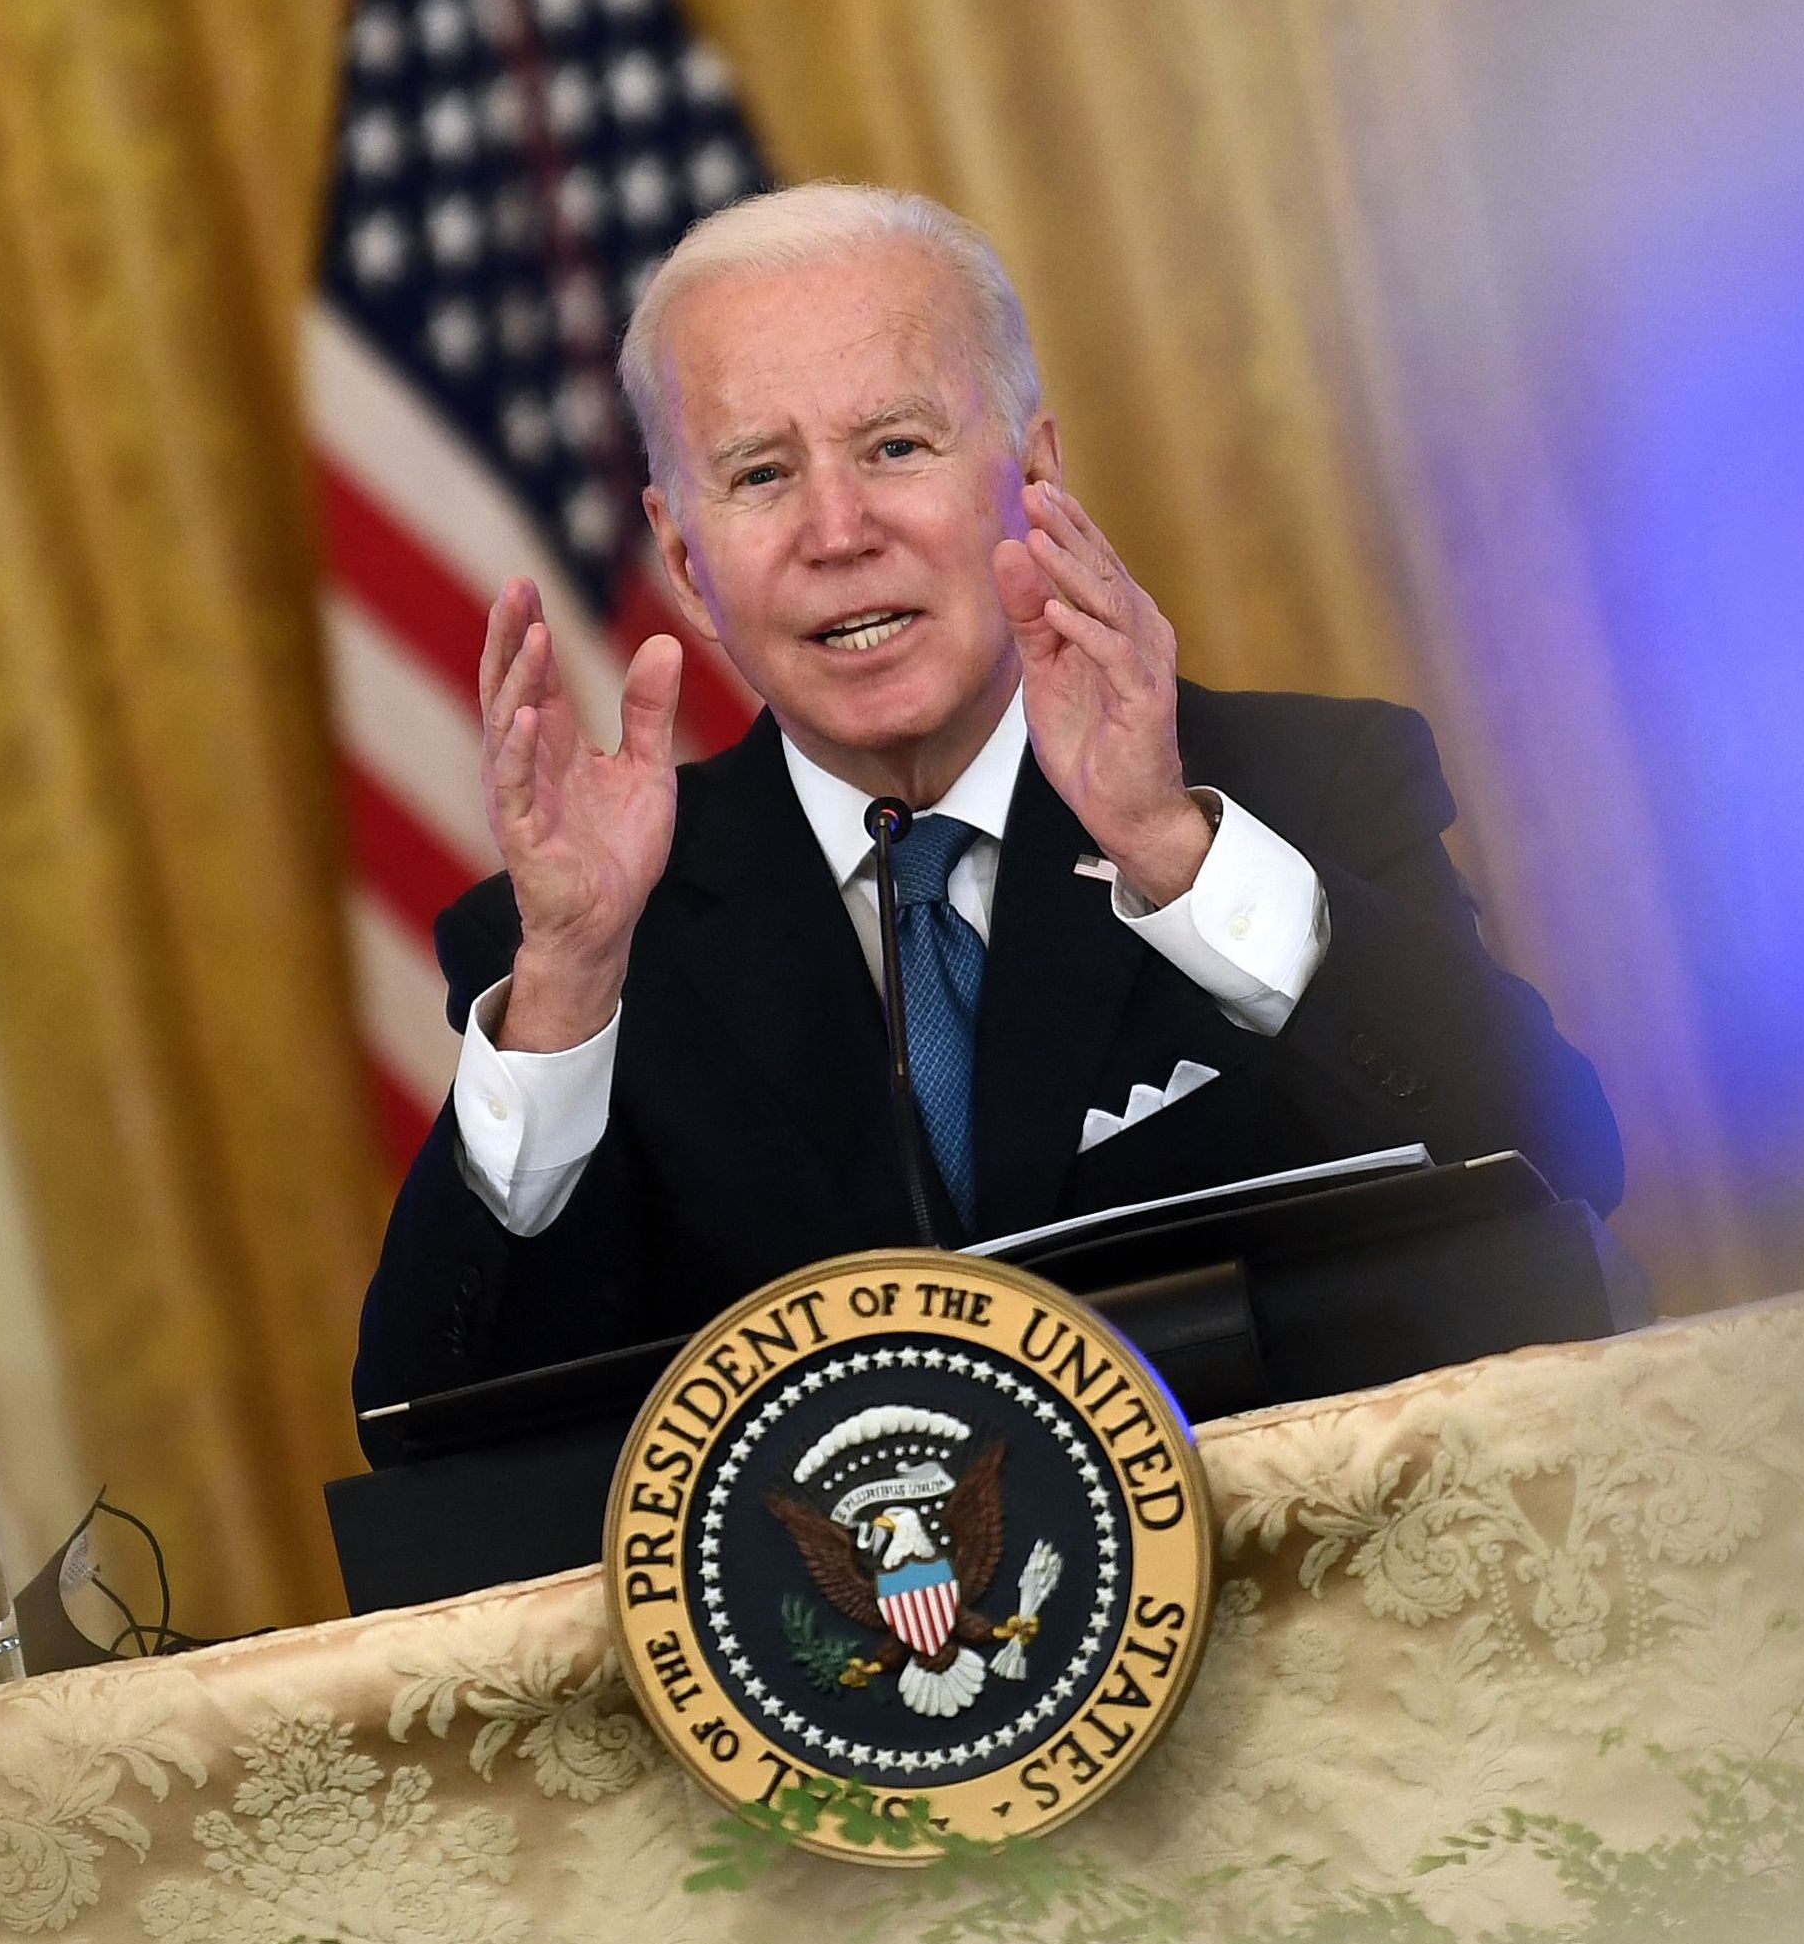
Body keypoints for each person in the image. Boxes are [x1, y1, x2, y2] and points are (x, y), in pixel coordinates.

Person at [352, 184, 1616, 1439]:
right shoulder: (586, 942)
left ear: (1033, 473)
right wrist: (571, 979)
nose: (837, 532)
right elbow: (433, 1428)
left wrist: (1173, 849)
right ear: (685, 560)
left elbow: (1558, 1173)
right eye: (761, 474)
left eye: (896, 446)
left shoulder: (1298, 787)